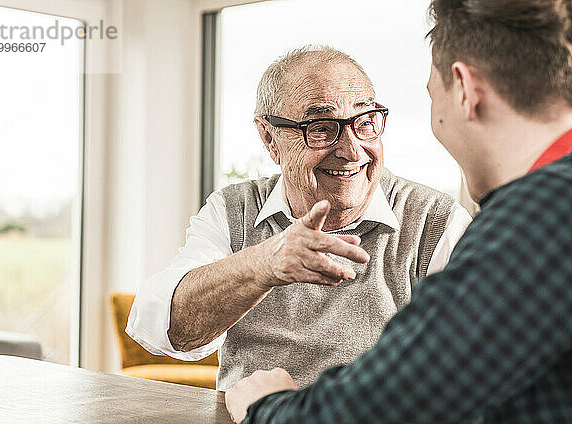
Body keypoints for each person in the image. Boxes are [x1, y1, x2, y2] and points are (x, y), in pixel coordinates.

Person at [225, 0, 572, 423]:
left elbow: (380, 409)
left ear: (465, 90)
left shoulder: (534, 224)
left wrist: (267, 406)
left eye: (431, 92)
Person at [126, 46, 471, 391]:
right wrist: (266, 264)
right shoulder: (233, 209)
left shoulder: (435, 221)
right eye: (321, 127)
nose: (351, 151)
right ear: (269, 138)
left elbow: (469, 371)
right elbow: (166, 330)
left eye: (365, 122)